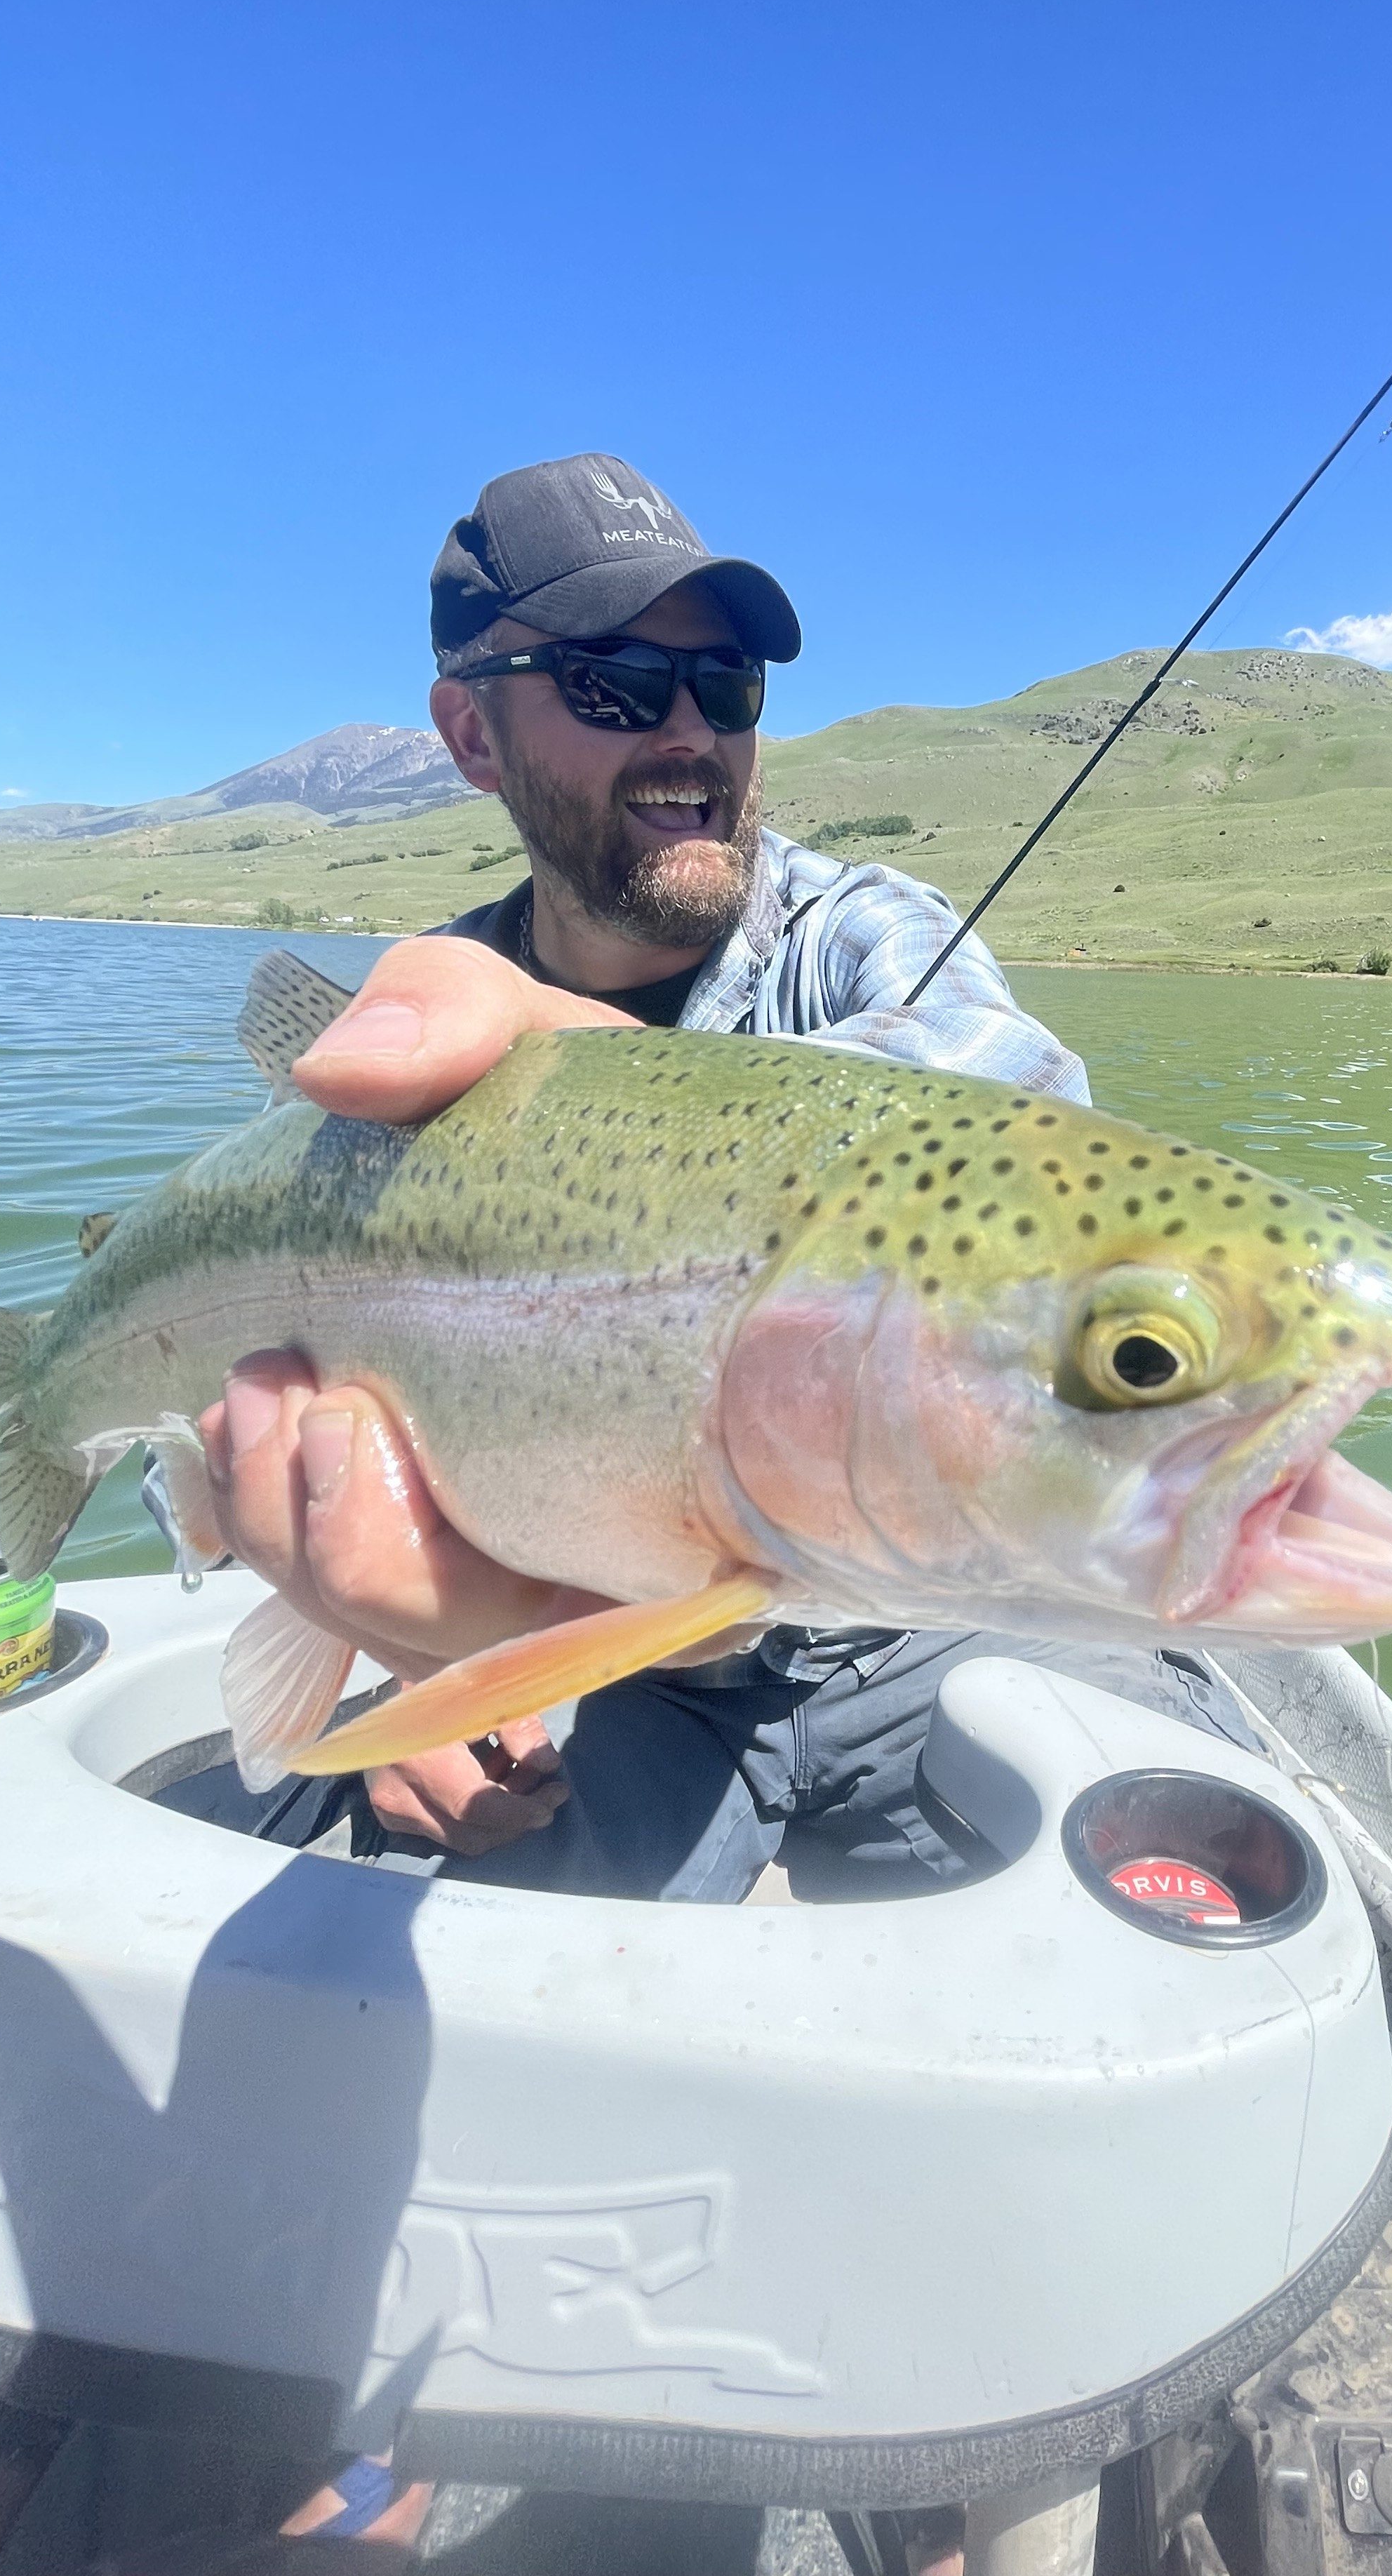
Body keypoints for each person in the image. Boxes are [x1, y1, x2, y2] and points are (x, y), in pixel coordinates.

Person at [167, 454, 1258, 1899]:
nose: (691, 732)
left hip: (947, 1625)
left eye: (726, 684)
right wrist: (398, 1660)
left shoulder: (862, 932)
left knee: (1200, 1913)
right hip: (612, 1670)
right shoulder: (413, 1044)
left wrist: (638, 1129)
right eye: (618, 683)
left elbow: (1020, 1113)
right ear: (472, 733)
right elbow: (245, 1413)